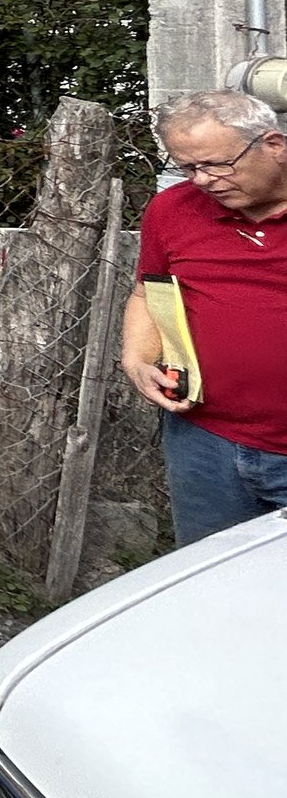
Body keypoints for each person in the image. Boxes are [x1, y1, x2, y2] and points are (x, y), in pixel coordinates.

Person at [121, 89, 287, 545]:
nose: (204, 180)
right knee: (214, 593)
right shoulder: (172, 210)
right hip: (205, 442)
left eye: (217, 163)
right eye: (188, 167)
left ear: (273, 145)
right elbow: (148, 291)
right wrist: (136, 360)